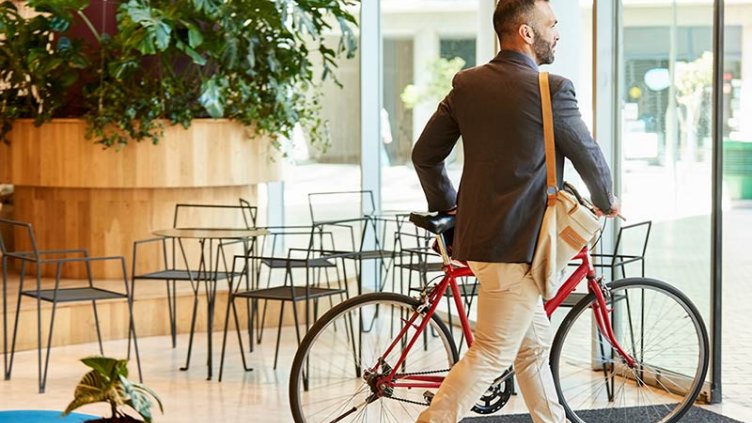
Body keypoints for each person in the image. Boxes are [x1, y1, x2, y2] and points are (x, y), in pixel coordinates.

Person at [411, 1, 620, 423]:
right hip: (520, 248)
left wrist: (451, 207)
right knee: (491, 353)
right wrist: (607, 198)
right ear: (526, 32)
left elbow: (424, 156)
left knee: (532, 350)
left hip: (479, 243)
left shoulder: (467, 85)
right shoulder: (552, 89)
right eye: (551, 24)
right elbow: (588, 155)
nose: (557, 31)